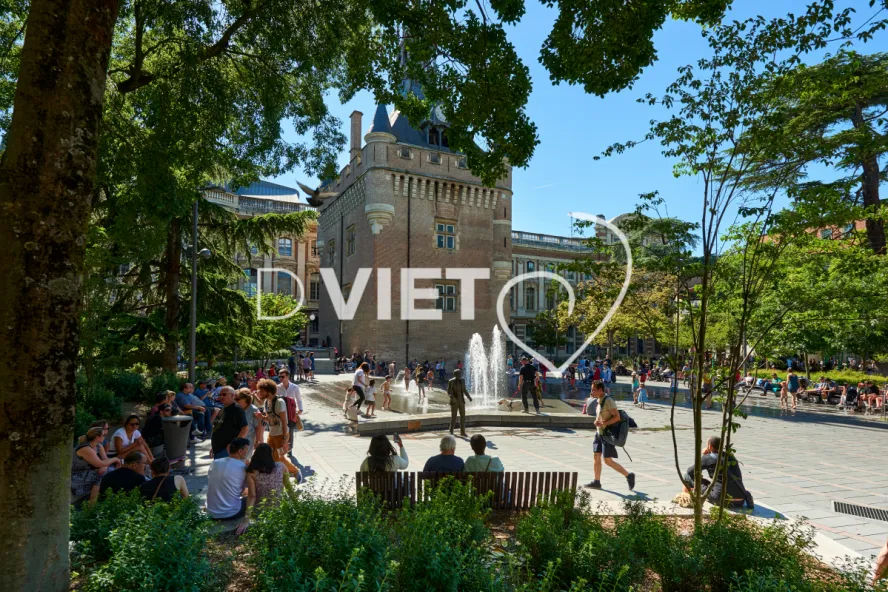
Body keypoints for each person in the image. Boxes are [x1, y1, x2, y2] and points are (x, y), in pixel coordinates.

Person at [586, 380, 635, 491]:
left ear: (600, 390)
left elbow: (617, 417)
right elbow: (602, 415)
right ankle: (596, 481)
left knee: (608, 461)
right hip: (599, 433)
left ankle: (629, 476)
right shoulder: (599, 400)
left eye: (593, 389)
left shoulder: (608, 401)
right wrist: (597, 422)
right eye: (591, 389)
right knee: (596, 456)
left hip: (606, 435)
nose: (591, 391)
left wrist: (603, 423)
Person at [682, 436, 752, 509]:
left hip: (720, 500)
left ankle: (685, 500)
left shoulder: (708, 458)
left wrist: (705, 456)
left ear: (710, 446)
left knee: (687, 476)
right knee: (715, 483)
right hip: (740, 500)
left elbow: (690, 471)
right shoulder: (731, 457)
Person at [256, 378, 300, 478]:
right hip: (272, 434)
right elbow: (270, 419)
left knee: (279, 457)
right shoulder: (267, 402)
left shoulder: (280, 402)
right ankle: (280, 475)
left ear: (269, 391)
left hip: (281, 435)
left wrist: (285, 439)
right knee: (270, 456)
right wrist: (262, 417)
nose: (260, 393)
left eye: (262, 391)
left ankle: (295, 472)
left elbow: (285, 422)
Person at [72, 426, 122, 502]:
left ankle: (109, 496)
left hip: (88, 472)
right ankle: (92, 504)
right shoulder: (86, 448)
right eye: (103, 435)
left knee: (112, 471)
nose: (105, 437)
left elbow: (105, 460)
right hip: (77, 475)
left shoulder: (98, 446)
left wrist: (104, 467)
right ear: (97, 437)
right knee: (100, 475)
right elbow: (100, 463)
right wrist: (115, 459)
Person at [207, 438, 251, 520]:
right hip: (231, 513)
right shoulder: (242, 467)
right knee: (251, 498)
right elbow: (248, 490)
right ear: (240, 451)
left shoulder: (214, 463)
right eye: (246, 450)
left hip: (211, 513)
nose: (247, 453)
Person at [276, 368, 304, 447]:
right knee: (281, 429)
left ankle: (289, 448)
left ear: (287, 376)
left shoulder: (295, 387)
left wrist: (300, 409)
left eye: (282, 376)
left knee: (290, 430)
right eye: (279, 377)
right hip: (280, 412)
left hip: (291, 412)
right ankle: (282, 446)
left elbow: (299, 399)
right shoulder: (277, 387)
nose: (280, 378)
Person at [236, 389, 264, 458]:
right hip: (235, 440)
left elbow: (258, 427)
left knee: (244, 461)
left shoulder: (254, 410)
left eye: (238, 399)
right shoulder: (236, 408)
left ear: (246, 399)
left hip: (247, 442)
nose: (236, 401)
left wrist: (257, 441)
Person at [448, 368, 473, 436]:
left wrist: (469, 397)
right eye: (459, 374)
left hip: (461, 401)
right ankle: (451, 430)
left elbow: (464, 390)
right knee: (454, 416)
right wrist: (452, 398)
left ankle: (462, 432)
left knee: (463, 416)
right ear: (455, 375)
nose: (460, 375)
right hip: (454, 401)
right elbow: (449, 392)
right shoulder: (451, 381)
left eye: (460, 373)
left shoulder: (462, 380)